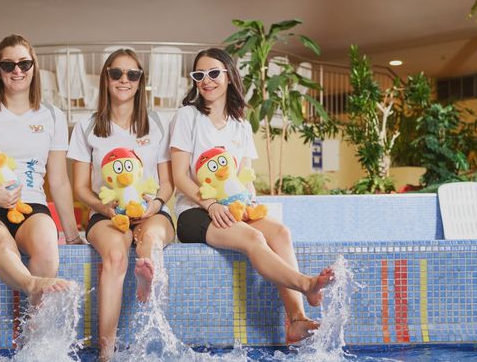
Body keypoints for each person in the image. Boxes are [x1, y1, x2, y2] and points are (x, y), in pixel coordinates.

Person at [169, 48, 333, 344]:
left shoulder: (241, 124)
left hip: (232, 209)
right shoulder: (187, 117)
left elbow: (245, 176)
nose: (206, 81)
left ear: (229, 76)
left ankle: (296, 320)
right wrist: (210, 203)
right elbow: (179, 176)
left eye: (214, 73)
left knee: (280, 232)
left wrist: (249, 201)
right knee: (254, 239)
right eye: (199, 75)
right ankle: (305, 283)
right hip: (194, 212)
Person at [0, 34, 82, 304]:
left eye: (24, 64)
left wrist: (72, 235)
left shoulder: (52, 116)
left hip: (31, 206)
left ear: (34, 68)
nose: (17, 71)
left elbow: (59, 180)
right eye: (8, 65)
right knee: (2, 244)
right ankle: (31, 284)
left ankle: (35, 339)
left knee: (48, 243)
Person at [68, 49, 175, 360]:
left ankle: (146, 270)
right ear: (106, 78)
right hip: (106, 214)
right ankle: (107, 352)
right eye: (117, 73)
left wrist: (153, 205)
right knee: (115, 257)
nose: (124, 80)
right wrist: (106, 210)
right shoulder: (87, 127)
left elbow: (167, 183)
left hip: (151, 211)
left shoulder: (156, 124)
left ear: (141, 82)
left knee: (151, 239)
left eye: (133, 74)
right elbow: (80, 188)